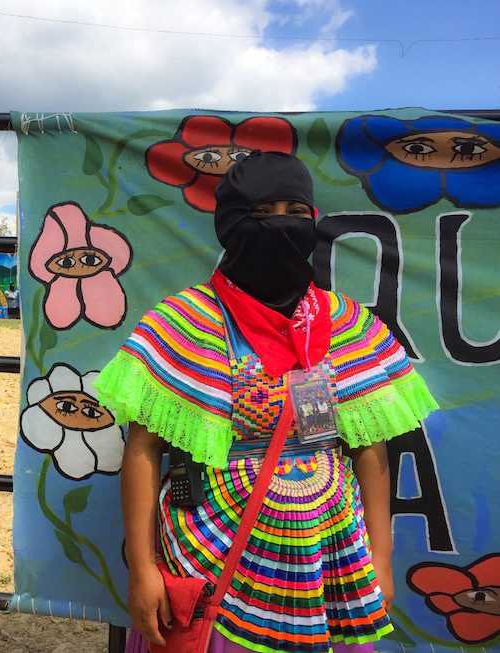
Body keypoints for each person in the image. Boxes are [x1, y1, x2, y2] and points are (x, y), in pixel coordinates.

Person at [94, 152, 439, 653]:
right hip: (211, 550)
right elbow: (142, 450)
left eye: (297, 211)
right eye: (263, 212)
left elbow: (371, 451)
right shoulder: (184, 323)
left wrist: (380, 561)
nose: (283, 223)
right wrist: (143, 569)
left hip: (329, 555)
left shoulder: (346, 325)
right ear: (232, 223)